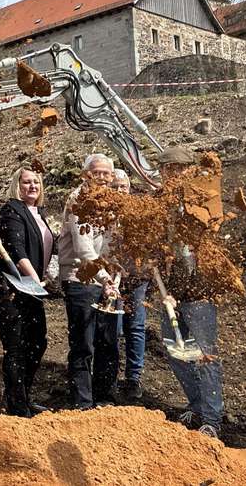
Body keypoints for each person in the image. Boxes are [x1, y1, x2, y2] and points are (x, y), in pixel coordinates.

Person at [156, 147, 223, 439]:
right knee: (177, 352)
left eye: (179, 168)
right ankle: (196, 404)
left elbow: (199, 247)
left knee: (204, 355)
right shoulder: (159, 203)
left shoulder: (200, 199)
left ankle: (211, 418)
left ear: (189, 170)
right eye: (167, 169)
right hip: (169, 291)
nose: (173, 174)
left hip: (198, 292)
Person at [0, 166, 52, 417]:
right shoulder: (12, 210)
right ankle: (17, 407)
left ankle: (21, 396)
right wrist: (35, 280)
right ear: (17, 186)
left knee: (37, 341)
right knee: (16, 344)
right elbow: (16, 250)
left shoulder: (39, 212)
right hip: (6, 285)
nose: (32, 186)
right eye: (26, 182)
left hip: (29, 286)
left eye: (36, 182)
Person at [54, 153, 120, 409]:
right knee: (84, 343)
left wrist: (114, 278)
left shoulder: (112, 202)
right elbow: (84, 249)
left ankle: (105, 398)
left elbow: (115, 245)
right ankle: (83, 402)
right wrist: (105, 278)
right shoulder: (78, 200)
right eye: (96, 172)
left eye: (106, 173)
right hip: (80, 278)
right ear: (86, 174)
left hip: (106, 281)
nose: (101, 177)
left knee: (108, 342)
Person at [112, 169, 147, 402]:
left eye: (123, 186)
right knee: (113, 328)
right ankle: (111, 375)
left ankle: (133, 377)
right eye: (114, 186)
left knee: (136, 327)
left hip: (136, 277)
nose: (119, 190)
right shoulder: (102, 211)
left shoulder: (139, 211)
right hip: (111, 278)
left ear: (129, 188)